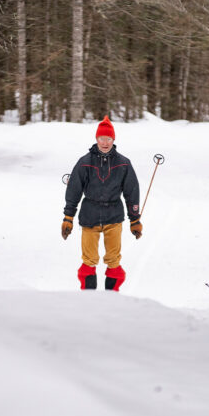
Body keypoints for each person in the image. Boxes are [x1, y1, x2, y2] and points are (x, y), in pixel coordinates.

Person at [62, 116, 142, 290]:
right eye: (101, 138)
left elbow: (132, 192)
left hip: (114, 217)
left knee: (113, 260)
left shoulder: (123, 163)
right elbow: (74, 190)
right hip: (89, 217)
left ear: (114, 140)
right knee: (89, 259)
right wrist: (68, 217)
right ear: (96, 139)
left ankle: (111, 298)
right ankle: (89, 298)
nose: (105, 143)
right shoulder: (84, 163)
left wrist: (134, 219)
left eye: (108, 139)